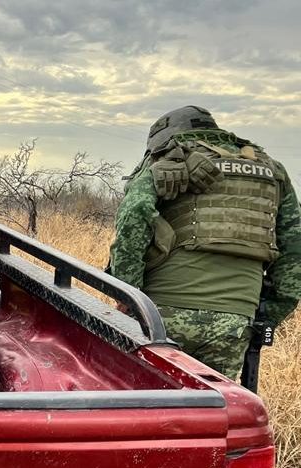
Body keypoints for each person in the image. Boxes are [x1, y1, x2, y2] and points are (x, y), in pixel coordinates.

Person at [108, 105, 301, 380]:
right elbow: (294, 252)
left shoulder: (167, 161)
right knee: (212, 412)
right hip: (234, 321)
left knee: (147, 405)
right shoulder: (271, 169)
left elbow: (133, 216)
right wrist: (267, 315)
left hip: (161, 314)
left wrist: (129, 296)